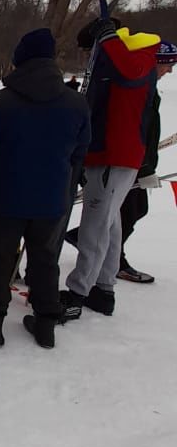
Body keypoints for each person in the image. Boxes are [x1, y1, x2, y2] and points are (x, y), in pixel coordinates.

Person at [0, 28, 90, 350]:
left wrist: (0, 171)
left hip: (2, 196)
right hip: (52, 198)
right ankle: (46, 323)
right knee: (45, 260)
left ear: (20, 59)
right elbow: (81, 151)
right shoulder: (76, 104)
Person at [61, 18, 160, 319]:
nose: (88, 55)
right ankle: (103, 288)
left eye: (89, 48)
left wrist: (108, 39)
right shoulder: (115, 63)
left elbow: (130, 72)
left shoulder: (137, 56)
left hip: (113, 156)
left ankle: (79, 292)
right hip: (106, 155)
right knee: (110, 223)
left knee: (95, 224)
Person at [66, 38, 176, 284]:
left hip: (132, 160)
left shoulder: (147, 87)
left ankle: (105, 277)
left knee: (125, 213)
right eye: (167, 65)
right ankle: (90, 283)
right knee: (113, 216)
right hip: (118, 160)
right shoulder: (134, 83)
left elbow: (148, 130)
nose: (169, 71)